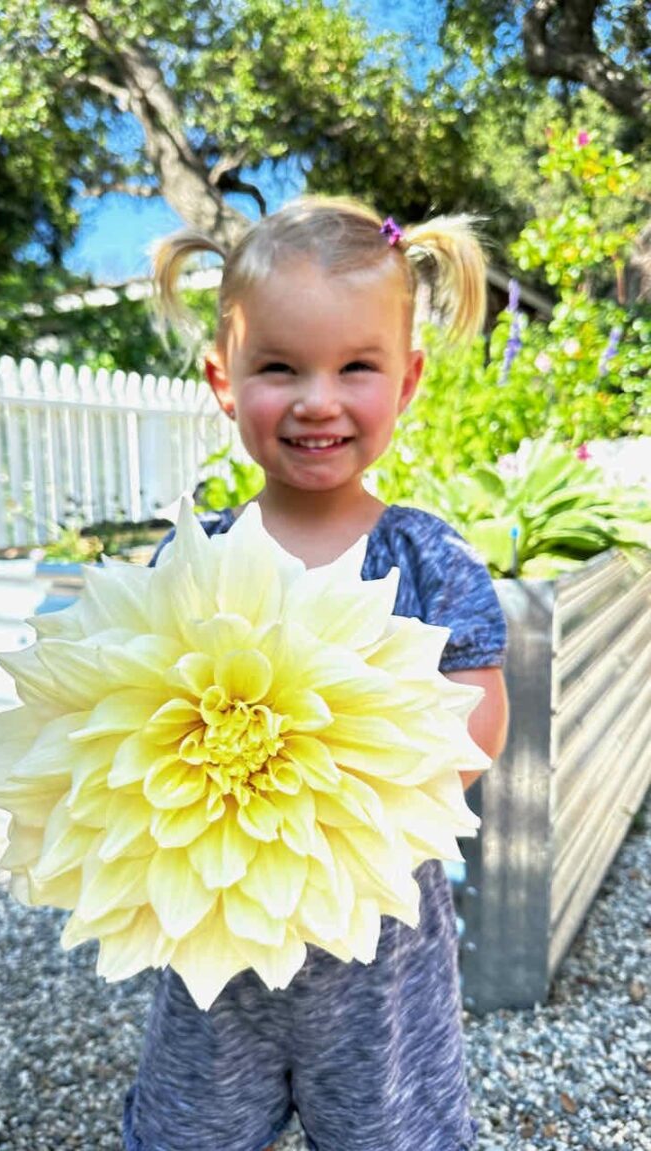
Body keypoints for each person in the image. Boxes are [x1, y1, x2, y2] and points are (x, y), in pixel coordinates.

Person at [122, 196, 509, 1151]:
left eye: (356, 368)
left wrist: (345, 807)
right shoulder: (190, 557)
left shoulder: (426, 558)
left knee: (393, 1129)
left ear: (409, 381)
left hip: (378, 950)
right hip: (218, 940)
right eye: (280, 367)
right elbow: (125, 703)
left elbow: (481, 714)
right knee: (189, 1130)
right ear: (224, 378)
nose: (318, 399)